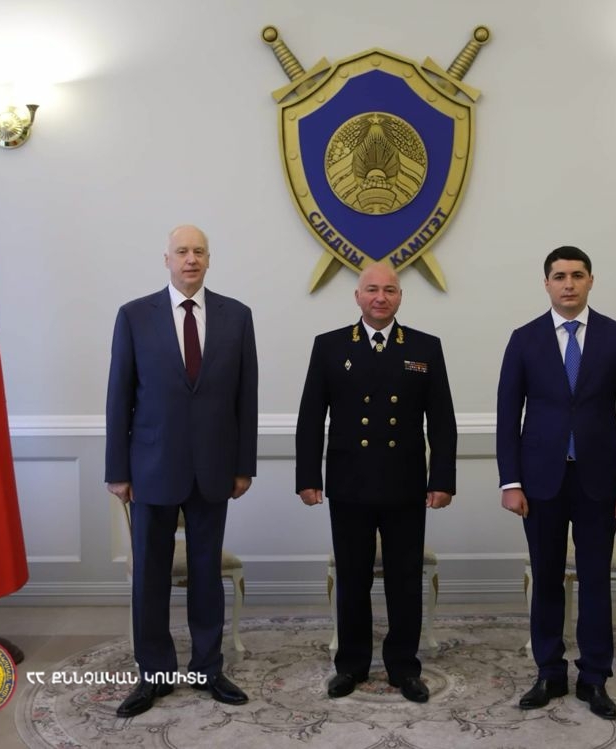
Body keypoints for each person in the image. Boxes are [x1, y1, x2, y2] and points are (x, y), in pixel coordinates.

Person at [105, 224, 258, 717]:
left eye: (199, 252)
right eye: (182, 251)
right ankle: (153, 674)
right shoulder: (134, 316)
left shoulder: (237, 316)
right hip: (150, 468)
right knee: (149, 577)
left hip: (214, 468)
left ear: (209, 260)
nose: (191, 259)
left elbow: (246, 398)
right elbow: (119, 396)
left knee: (206, 575)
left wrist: (244, 465)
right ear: (166, 259)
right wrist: (117, 470)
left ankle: (208, 669)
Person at [496, 246, 616, 720]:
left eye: (577, 275)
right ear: (546, 283)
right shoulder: (524, 339)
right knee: (546, 578)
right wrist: (510, 481)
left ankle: (594, 677)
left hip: (599, 480)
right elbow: (507, 416)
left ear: (590, 281)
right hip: (539, 481)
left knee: (595, 579)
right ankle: (549, 672)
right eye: (559, 276)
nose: (568, 284)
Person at [296, 262, 457, 704]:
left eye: (389, 290)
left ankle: (404, 667)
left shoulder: (424, 347)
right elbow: (311, 416)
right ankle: (351, 665)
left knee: (404, 580)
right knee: (353, 579)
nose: (380, 297)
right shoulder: (330, 346)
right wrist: (308, 476)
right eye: (371, 289)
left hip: (406, 483)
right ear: (358, 296)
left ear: (400, 296)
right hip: (349, 482)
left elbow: (442, 421)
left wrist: (443, 478)